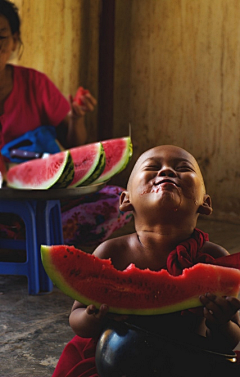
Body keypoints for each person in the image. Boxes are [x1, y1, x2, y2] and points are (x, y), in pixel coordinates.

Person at [53, 145, 240, 377]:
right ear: (125, 200)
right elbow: (76, 318)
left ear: (205, 202)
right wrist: (92, 318)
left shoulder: (216, 260)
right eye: (152, 167)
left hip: (186, 362)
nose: (167, 171)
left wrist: (220, 323)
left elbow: (230, 337)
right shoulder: (112, 251)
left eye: (182, 168)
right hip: (117, 361)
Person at [0, 0, 132, 250]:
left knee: (119, 200)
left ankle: (20, 236)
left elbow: (76, 147)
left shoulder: (35, 84)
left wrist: (76, 117)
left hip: (46, 202)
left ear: (14, 41)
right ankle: (40, 238)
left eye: (0, 37)